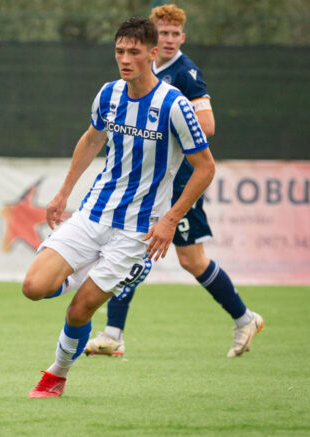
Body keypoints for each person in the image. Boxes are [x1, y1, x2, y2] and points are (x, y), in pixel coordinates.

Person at [23, 16, 215, 398]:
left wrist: (170, 221)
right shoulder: (109, 94)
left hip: (136, 232)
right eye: (120, 51)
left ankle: (56, 374)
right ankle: (81, 275)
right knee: (33, 287)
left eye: (134, 52)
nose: (125, 59)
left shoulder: (174, 104)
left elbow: (205, 168)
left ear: (153, 53)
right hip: (93, 214)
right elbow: (92, 139)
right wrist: (63, 193)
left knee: (79, 311)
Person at [84, 4, 263, 359]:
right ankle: (114, 333)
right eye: (162, 33)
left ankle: (245, 318)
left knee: (191, 260)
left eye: (174, 34)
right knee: (134, 245)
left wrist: (170, 121)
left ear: (183, 37)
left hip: (178, 183)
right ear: (152, 39)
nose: (168, 39)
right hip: (147, 184)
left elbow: (207, 126)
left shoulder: (186, 73)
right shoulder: (141, 71)